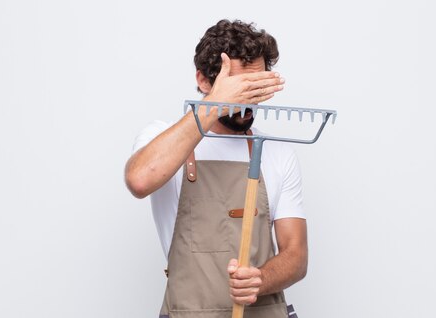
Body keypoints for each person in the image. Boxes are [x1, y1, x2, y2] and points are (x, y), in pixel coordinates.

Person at [125, 19, 307, 318]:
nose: (248, 98)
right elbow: (140, 181)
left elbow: (296, 256)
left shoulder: (277, 152)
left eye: (256, 85)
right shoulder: (163, 136)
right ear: (204, 80)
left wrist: (260, 280)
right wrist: (217, 103)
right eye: (238, 86)